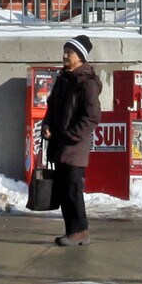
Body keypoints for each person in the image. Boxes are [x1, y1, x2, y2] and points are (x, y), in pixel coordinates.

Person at [40, 34, 102, 247]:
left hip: (74, 146)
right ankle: (72, 231)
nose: (65, 55)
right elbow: (51, 108)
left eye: (70, 52)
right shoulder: (63, 79)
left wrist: (71, 135)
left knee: (72, 188)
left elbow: (92, 116)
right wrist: (47, 126)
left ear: (81, 57)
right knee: (64, 189)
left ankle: (79, 231)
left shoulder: (88, 83)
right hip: (59, 143)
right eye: (65, 51)